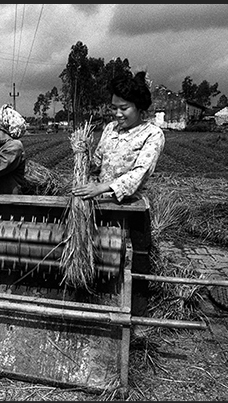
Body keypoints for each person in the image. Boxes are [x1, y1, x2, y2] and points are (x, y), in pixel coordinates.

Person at [71, 71, 165, 327]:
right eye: (114, 108)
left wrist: (103, 187)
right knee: (100, 258)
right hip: (100, 206)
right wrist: (83, 158)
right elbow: (97, 162)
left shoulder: (152, 134)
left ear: (139, 107)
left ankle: (135, 321)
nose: (117, 114)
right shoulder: (111, 129)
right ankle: (94, 306)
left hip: (130, 208)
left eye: (124, 108)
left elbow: (139, 174)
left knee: (132, 264)